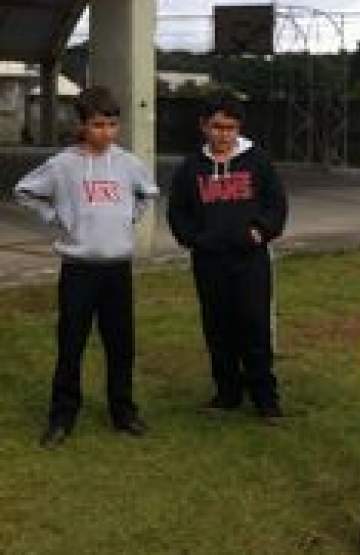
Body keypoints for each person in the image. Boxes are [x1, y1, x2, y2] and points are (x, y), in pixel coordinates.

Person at [14, 85, 159, 448]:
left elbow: (149, 193)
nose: (106, 133)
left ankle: (123, 412)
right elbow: (24, 191)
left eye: (112, 125)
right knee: (71, 344)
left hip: (117, 269)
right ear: (82, 125)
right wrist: (56, 216)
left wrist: (129, 217)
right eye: (97, 125)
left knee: (120, 344)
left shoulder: (127, 162)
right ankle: (62, 416)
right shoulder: (64, 165)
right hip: (79, 268)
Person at [167, 94, 288, 420]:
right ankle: (227, 393)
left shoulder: (258, 161)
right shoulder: (191, 167)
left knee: (254, 325)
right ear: (204, 126)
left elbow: (276, 205)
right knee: (217, 327)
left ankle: (265, 398)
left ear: (239, 128)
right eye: (217, 127)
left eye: (230, 127)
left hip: (250, 261)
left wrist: (260, 231)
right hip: (209, 261)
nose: (223, 134)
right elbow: (178, 210)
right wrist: (194, 239)